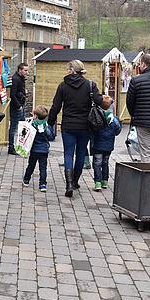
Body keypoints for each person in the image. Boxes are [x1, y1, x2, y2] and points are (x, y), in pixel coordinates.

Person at [48, 60, 103, 198]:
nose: (67, 71)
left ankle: (68, 184)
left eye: (68, 69)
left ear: (72, 70)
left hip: (68, 125)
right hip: (85, 126)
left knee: (68, 153)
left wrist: (50, 121)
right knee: (80, 154)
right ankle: (75, 181)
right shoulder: (90, 85)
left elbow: (56, 106)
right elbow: (99, 101)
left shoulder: (63, 86)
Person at [89, 95, 122, 191]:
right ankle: (105, 181)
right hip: (109, 146)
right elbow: (117, 131)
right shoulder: (114, 119)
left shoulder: (97, 117)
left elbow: (92, 131)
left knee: (97, 163)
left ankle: (97, 183)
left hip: (97, 145)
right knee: (105, 162)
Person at [23, 105, 55, 191]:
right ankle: (43, 184)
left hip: (34, 150)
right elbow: (51, 137)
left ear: (36, 116)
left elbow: (25, 133)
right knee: (43, 168)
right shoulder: (46, 126)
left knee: (31, 165)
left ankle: (26, 180)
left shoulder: (32, 125)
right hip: (44, 150)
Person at [8, 63, 29, 155]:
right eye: (25, 70)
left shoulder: (20, 78)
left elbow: (18, 91)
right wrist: (18, 106)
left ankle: (21, 146)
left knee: (23, 127)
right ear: (20, 70)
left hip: (21, 106)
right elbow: (12, 94)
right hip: (16, 107)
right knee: (13, 127)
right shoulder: (15, 79)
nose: (27, 72)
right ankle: (11, 147)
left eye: (27, 70)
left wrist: (24, 92)